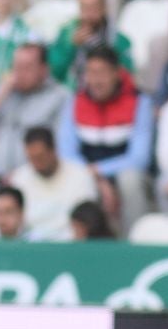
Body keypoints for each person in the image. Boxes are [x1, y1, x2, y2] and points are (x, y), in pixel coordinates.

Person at [58, 45, 153, 229]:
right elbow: (67, 153)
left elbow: (140, 158)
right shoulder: (75, 103)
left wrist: (99, 171)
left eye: (102, 73)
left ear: (117, 73)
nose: (96, 81)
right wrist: (95, 178)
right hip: (87, 176)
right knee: (74, 178)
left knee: (130, 180)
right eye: (91, 73)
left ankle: (134, 246)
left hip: (122, 176)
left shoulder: (139, 103)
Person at [0, 41, 69, 181]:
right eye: (16, 67)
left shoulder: (59, 97)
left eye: (27, 67)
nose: (20, 74)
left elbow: (62, 145)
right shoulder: (2, 91)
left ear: (44, 69)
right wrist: (2, 91)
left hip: (35, 180)